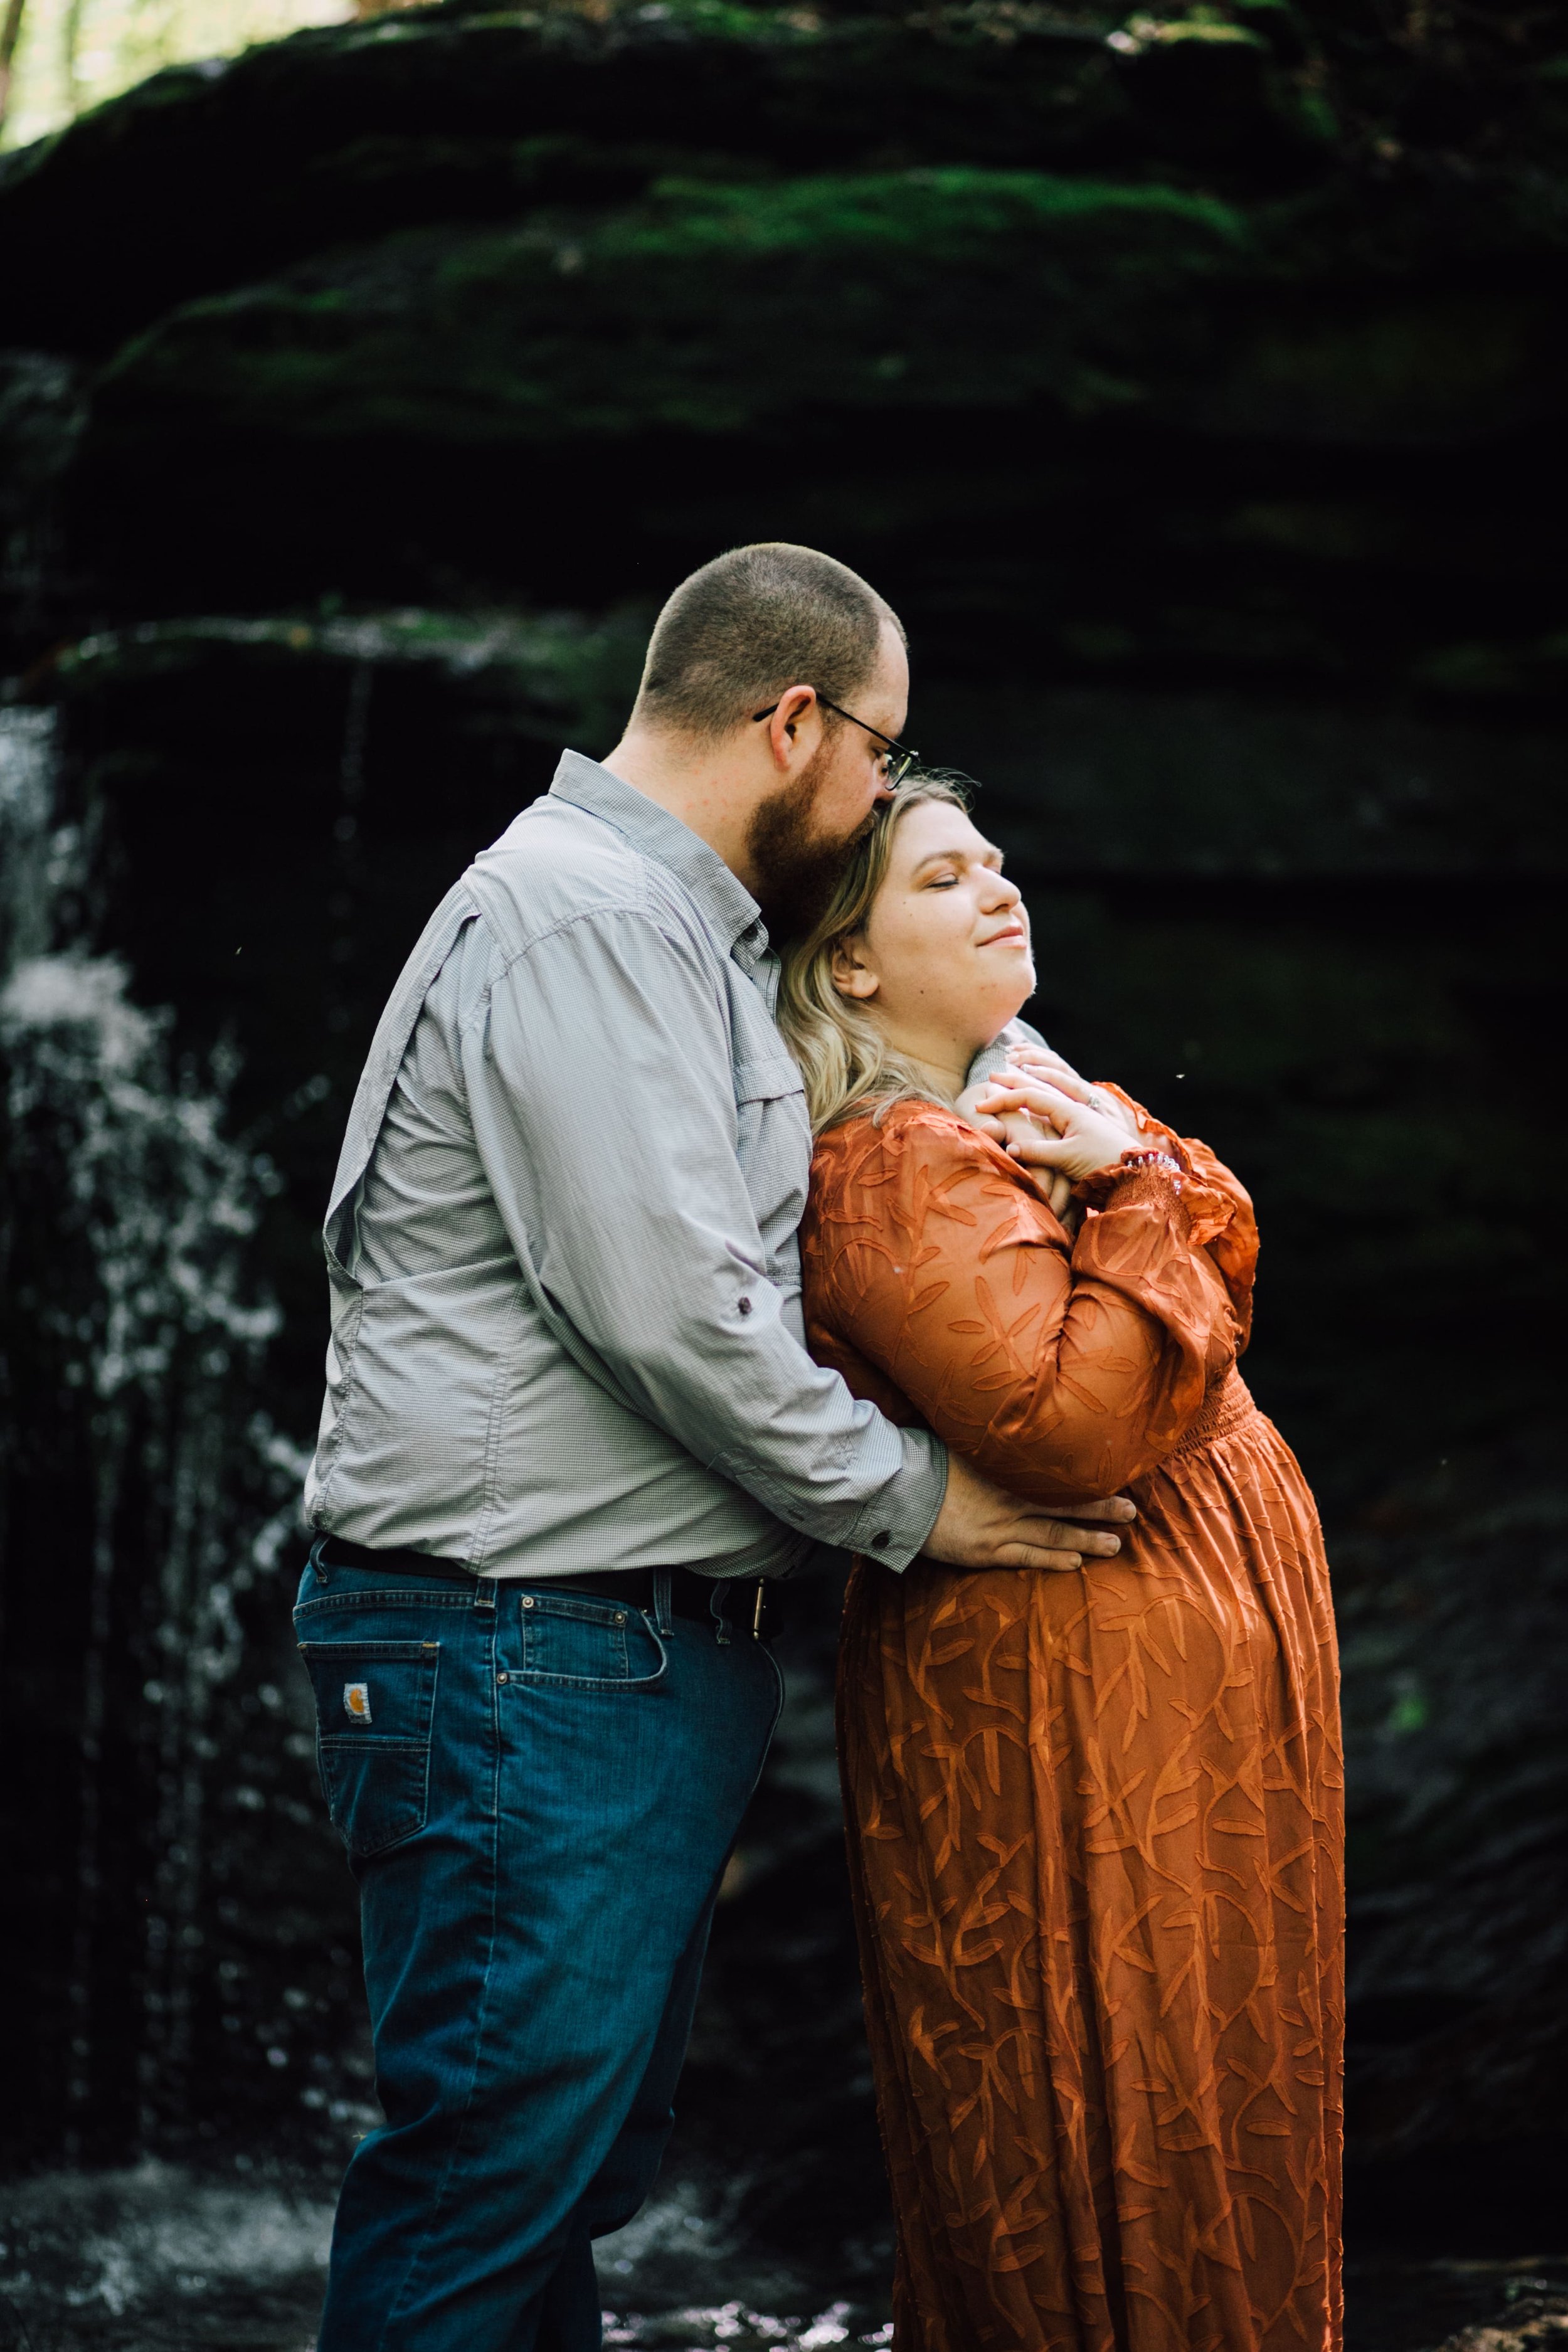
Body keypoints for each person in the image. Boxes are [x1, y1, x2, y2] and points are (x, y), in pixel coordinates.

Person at [294, 546, 1132, 2352]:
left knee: (546, 2182)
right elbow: (676, 1310)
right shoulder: (589, 917)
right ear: (791, 720)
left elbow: (861, 1113)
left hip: (576, 1651)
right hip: (526, 1642)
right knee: (491, 2179)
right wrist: (924, 1503)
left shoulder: (667, 927)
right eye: (878, 750)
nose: (882, 797)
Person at [781, 774, 1343, 2352]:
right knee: (1108, 2085)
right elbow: (1070, 1419)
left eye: (995, 861)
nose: (995, 887)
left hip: (1163, 1639)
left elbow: (1226, 1247)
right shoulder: (893, 1162)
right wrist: (1130, 1183)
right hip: (1071, 1668)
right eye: (942, 878)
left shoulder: (1007, 1098)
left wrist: (1117, 1172)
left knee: (1208, 2071)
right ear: (850, 968)